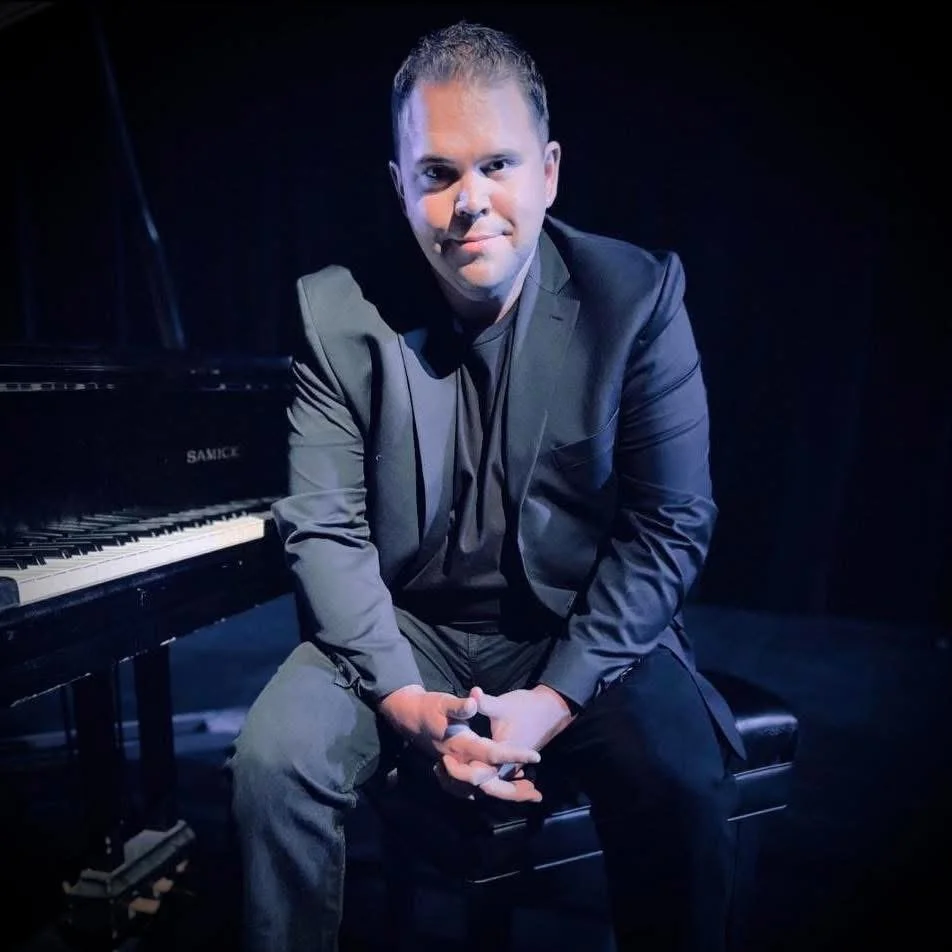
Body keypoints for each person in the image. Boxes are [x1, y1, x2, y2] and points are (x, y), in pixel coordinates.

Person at [228, 18, 746, 952]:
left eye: (498, 165)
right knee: (274, 760)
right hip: (405, 628)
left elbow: (670, 526)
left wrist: (552, 702)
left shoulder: (635, 298)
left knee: (679, 777)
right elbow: (325, 529)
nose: (473, 202)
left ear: (548, 171)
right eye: (438, 174)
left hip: (577, 624)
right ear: (401, 185)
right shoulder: (336, 312)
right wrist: (400, 700)